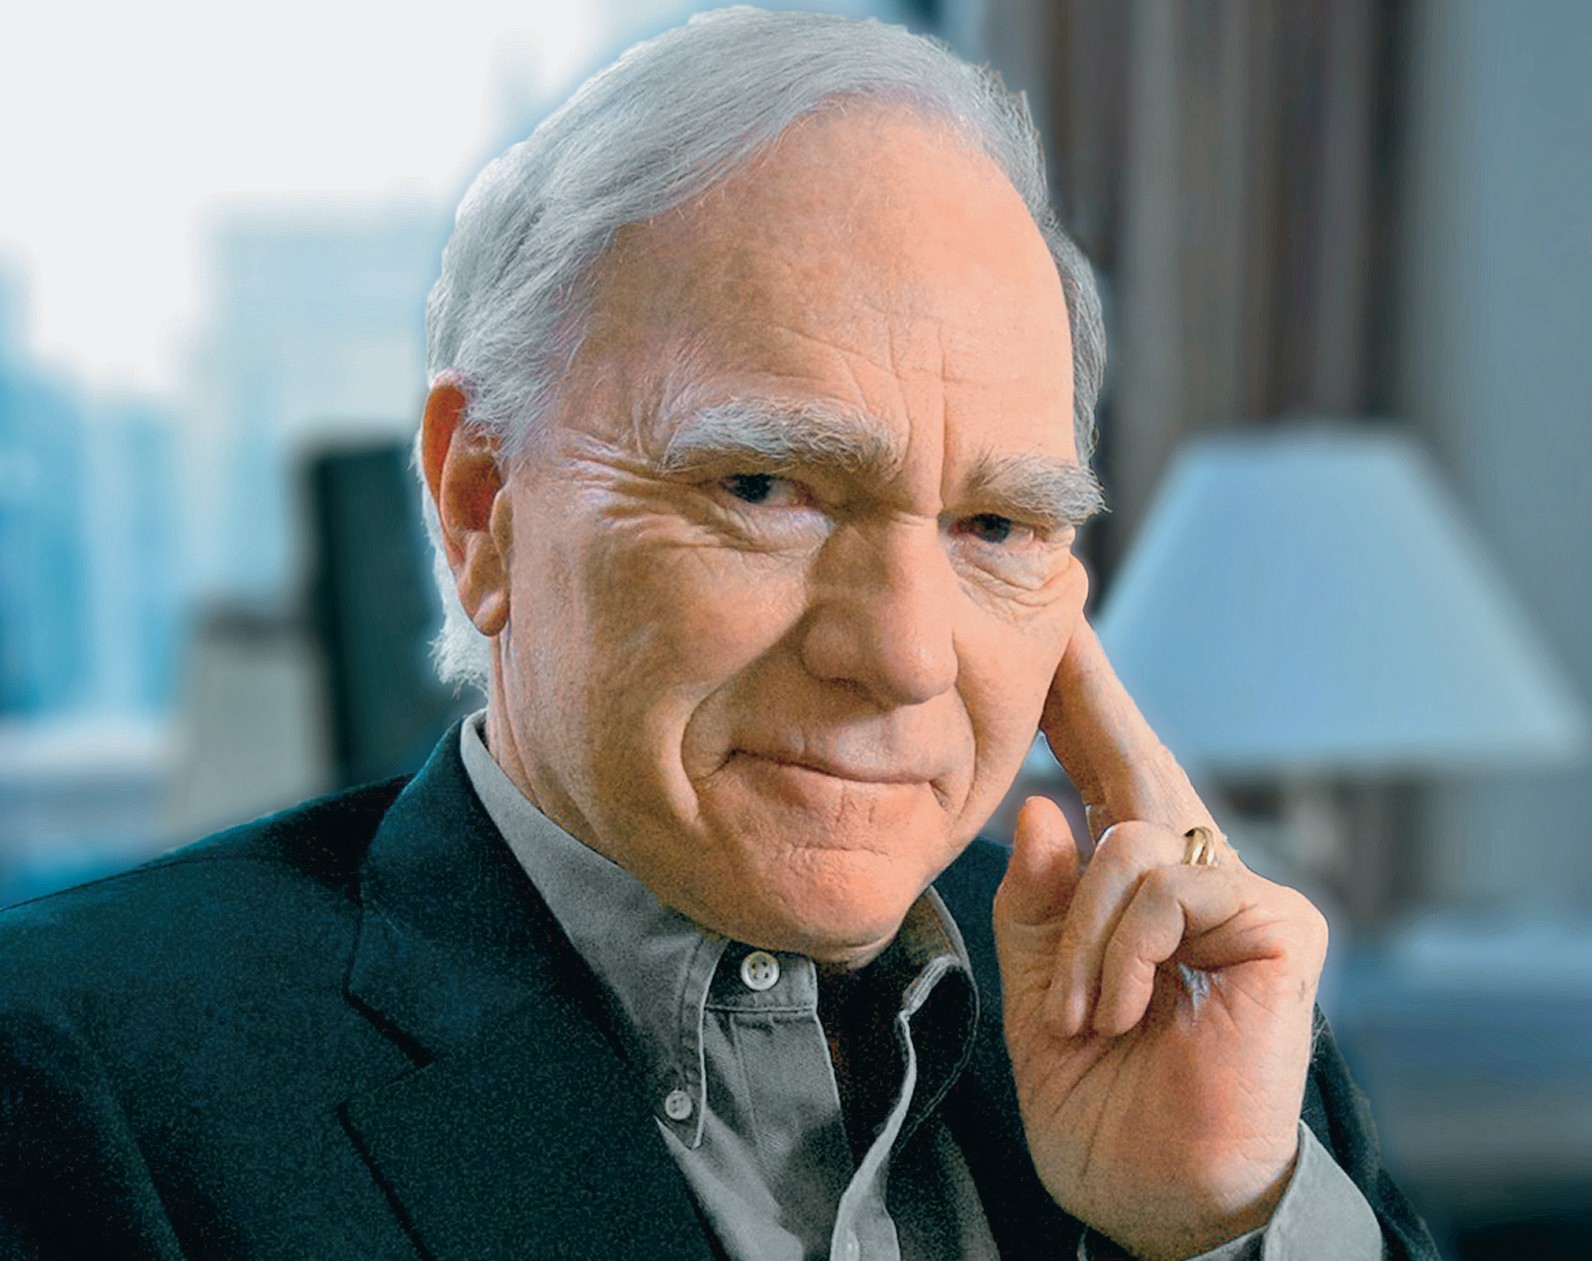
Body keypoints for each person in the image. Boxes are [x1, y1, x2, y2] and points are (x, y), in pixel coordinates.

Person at [0, 9, 1437, 1260]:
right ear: (484, 506)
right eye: (763, 488)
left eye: (997, 524)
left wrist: (1217, 1230)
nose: (906, 655)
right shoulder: (74, 1086)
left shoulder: (1199, 1039)